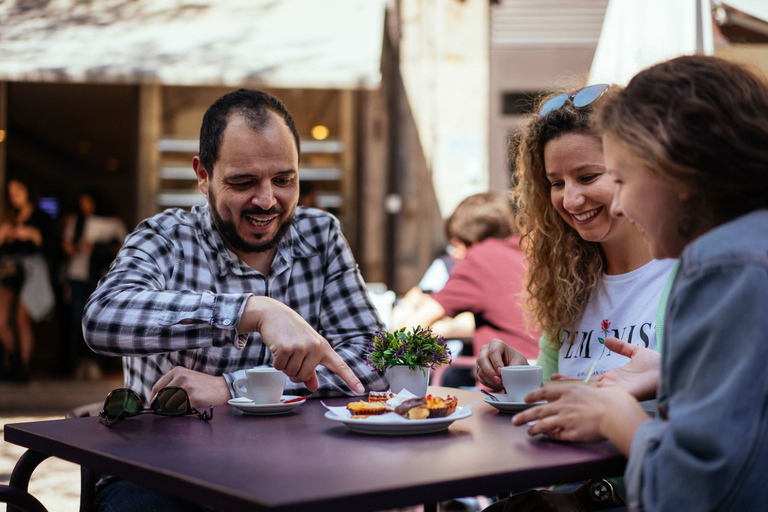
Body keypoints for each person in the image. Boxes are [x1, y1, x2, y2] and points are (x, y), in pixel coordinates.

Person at [84, 88, 388, 511]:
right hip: (165, 472)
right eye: (243, 182)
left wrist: (236, 388)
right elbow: (101, 318)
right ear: (203, 174)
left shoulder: (321, 235)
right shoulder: (164, 236)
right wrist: (250, 311)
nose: (267, 201)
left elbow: (375, 359)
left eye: (285, 180)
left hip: (293, 464)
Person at [512, 55, 768, 512]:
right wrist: (668, 375)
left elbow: (694, 490)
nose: (623, 205)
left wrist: (618, 417)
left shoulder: (720, 265)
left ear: (678, 173)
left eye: (622, 178)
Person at [476, 83, 675, 511]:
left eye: (587, 177)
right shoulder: (570, 283)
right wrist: (519, 374)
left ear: (636, 170)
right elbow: (555, 395)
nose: (570, 198)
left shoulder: (686, 275)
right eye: (555, 182)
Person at [393, 192, 539, 366]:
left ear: (473, 242)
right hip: (547, 376)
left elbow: (411, 328)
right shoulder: (530, 251)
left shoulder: (480, 258)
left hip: (503, 384)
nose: (453, 253)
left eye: (456, 245)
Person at [61, 189, 128, 379]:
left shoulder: (113, 222)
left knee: (97, 319)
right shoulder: (77, 220)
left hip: (99, 276)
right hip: (77, 274)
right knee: (77, 319)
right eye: (82, 203)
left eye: (88, 202)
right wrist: (74, 247)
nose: (85, 207)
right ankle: (84, 359)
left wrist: (98, 248)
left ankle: (95, 361)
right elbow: (65, 244)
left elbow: (124, 246)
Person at [0, 177, 57, 381]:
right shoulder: (9, 216)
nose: (14, 196)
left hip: (33, 271)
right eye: (11, 192)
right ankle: (15, 362)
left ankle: (23, 366)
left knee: (22, 318)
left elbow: (52, 246)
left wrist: (33, 235)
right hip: (9, 270)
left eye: (18, 190)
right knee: (2, 320)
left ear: (28, 191)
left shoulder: (41, 216)